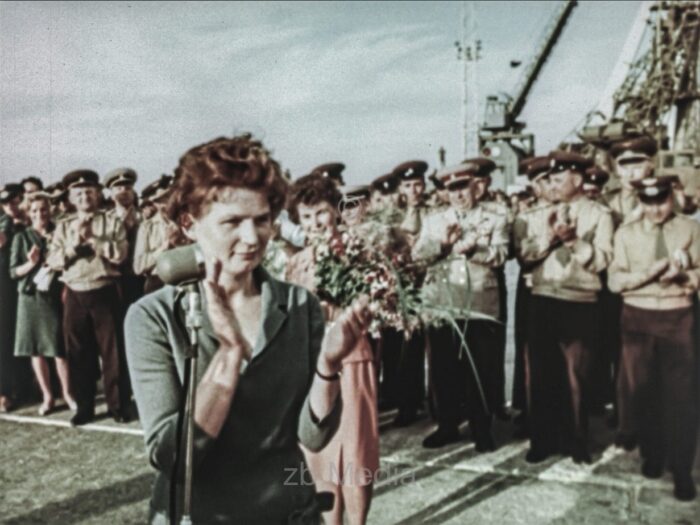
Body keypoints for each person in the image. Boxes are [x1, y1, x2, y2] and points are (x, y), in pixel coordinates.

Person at [126, 135, 371, 524]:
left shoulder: (297, 304)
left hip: (290, 513)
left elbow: (313, 436)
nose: (252, 237)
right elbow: (173, 458)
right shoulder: (154, 317)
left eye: (262, 220)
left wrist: (327, 366)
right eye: (232, 222)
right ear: (189, 224)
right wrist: (228, 355)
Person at [286, 173, 379, 525]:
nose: (314, 223)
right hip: (313, 368)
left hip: (353, 360)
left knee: (355, 455)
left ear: (336, 212)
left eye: (321, 213)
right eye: (306, 217)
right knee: (319, 455)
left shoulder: (357, 252)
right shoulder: (296, 263)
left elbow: (375, 306)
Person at [608, 174, 699, 501]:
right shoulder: (626, 234)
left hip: (678, 318)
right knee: (643, 392)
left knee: (682, 396)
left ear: (671, 197)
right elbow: (615, 281)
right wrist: (650, 274)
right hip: (638, 318)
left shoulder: (691, 229)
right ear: (640, 201)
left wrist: (686, 275)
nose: (656, 210)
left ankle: (682, 468)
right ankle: (653, 454)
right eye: (648, 202)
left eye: (661, 201)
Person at [519, 151, 614, 464]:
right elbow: (524, 256)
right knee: (541, 376)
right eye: (550, 179)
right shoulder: (537, 214)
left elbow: (602, 260)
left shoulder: (599, 215)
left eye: (559, 179)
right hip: (543, 300)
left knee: (577, 377)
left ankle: (577, 442)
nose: (553, 184)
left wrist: (573, 241)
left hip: (580, 302)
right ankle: (541, 441)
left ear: (577, 178)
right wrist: (549, 237)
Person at [413, 159, 509, 451]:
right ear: (445, 192)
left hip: (479, 303)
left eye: (463, 187)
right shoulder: (433, 221)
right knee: (444, 369)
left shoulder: (495, 217)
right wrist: (442, 244)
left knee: (480, 369)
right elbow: (417, 256)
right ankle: (448, 426)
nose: (458, 194)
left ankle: (482, 429)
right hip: (444, 305)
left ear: (475, 187)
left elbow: (502, 253)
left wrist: (476, 249)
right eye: (451, 189)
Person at [46, 169, 130, 425]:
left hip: (104, 290)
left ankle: (118, 405)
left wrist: (95, 240)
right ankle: (85, 407)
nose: (85, 197)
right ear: (71, 197)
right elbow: (53, 260)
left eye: (90, 192)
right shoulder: (63, 226)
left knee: (113, 352)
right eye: (79, 193)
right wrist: (72, 247)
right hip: (75, 293)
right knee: (79, 354)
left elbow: (120, 255)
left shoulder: (112, 222)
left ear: (98, 195)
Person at [10, 193, 76, 415]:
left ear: (51, 210)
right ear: (29, 213)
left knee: (59, 349)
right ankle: (47, 397)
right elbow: (13, 272)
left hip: (55, 296)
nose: (40, 214)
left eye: (44, 209)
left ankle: (68, 393)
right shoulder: (21, 238)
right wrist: (31, 263)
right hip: (30, 299)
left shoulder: (59, 232)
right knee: (36, 350)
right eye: (35, 210)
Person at [133, 175, 184, 293]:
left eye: (168, 197)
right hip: (158, 281)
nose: (166, 204)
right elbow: (138, 267)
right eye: (160, 201)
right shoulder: (147, 227)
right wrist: (164, 247)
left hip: (185, 276)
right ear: (154, 204)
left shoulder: (186, 221)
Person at [0, 183, 26, 412]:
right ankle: (5, 391)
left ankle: (24, 387)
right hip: (4, 288)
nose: (11, 206)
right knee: (5, 339)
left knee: (21, 339)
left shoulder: (29, 220)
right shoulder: (5, 222)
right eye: (6, 202)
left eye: (15, 200)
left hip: (25, 287)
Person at [104, 167, 144, 306]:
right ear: (111, 194)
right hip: (115, 278)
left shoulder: (144, 217)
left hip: (141, 276)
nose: (123, 192)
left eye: (127, 187)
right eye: (118, 188)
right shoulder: (105, 220)